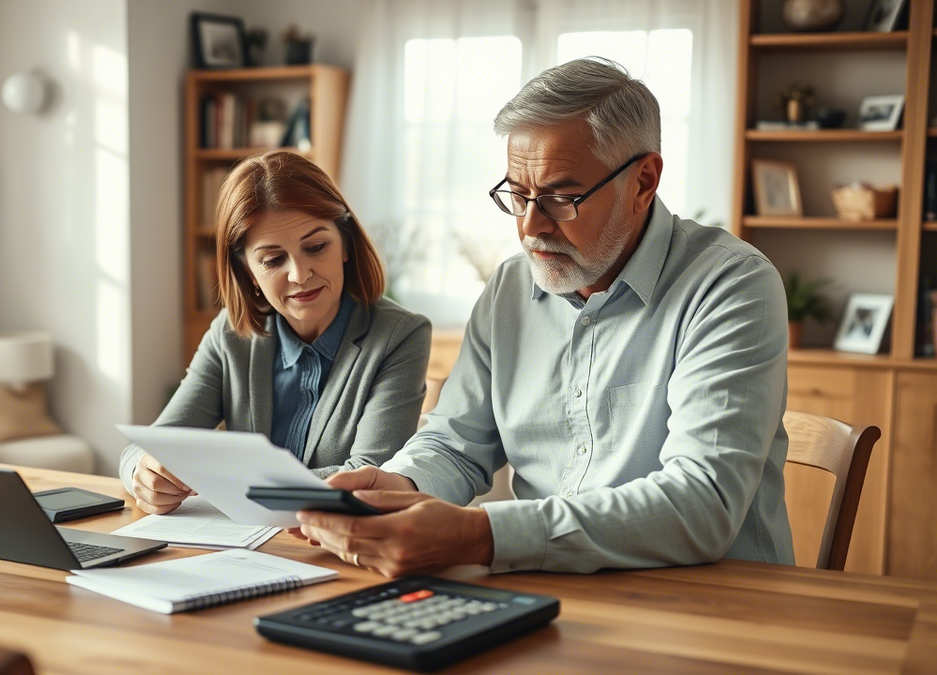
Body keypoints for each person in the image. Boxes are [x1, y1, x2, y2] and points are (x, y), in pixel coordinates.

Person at [294, 58, 794, 576]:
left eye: (560, 197)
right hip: (552, 595)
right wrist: (398, 486)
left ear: (644, 181)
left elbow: (702, 505)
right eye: (517, 194)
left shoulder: (731, 286)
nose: (531, 226)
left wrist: (479, 534)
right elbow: (456, 441)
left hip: (718, 608)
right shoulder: (510, 287)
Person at [119, 150, 432, 515]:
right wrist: (142, 472)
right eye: (272, 259)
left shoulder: (400, 335)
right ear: (249, 271)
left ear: (345, 243)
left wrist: (232, 485)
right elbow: (152, 445)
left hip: (336, 547)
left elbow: (370, 477)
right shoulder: (229, 335)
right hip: (240, 549)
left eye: (316, 247)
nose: (300, 274)